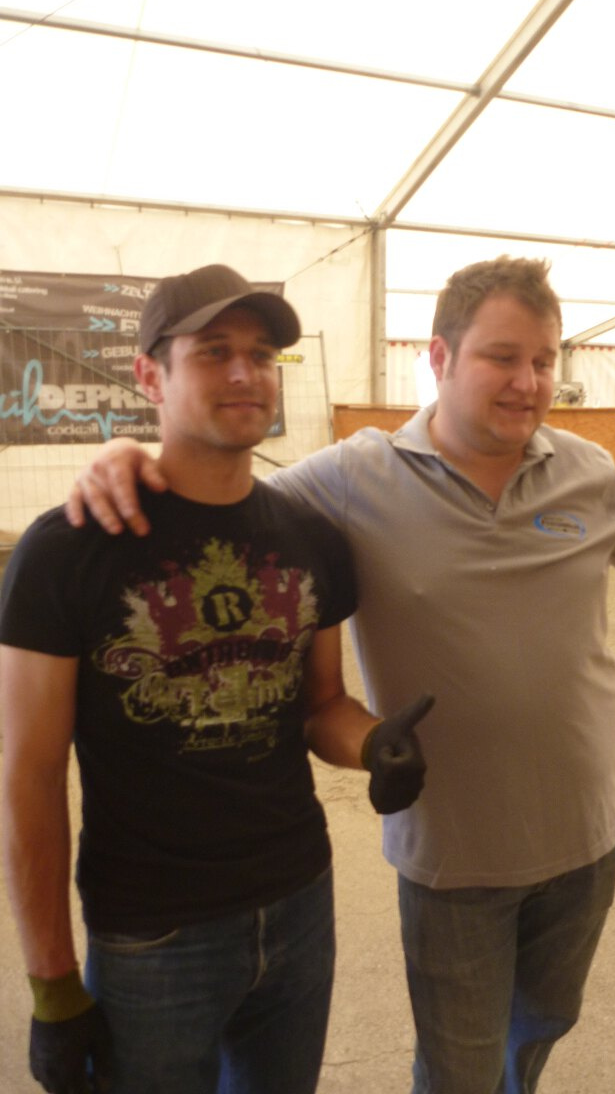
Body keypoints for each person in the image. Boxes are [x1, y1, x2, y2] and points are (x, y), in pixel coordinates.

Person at [64, 256, 615, 1094]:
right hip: (455, 852)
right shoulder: (352, 478)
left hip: (588, 827)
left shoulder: (583, 468)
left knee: (545, 1023)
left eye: (544, 360)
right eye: (502, 357)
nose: (528, 382)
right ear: (439, 358)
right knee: (458, 1069)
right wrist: (127, 457)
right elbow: (222, 497)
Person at [0, 264, 433, 1094]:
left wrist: (375, 744)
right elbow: (30, 775)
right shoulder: (67, 550)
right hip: (152, 936)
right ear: (148, 375)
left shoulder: (311, 537)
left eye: (262, 354)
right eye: (213, 351)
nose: (245, 372)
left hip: (299, 902)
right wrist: (52, 985)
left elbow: (322, 706)